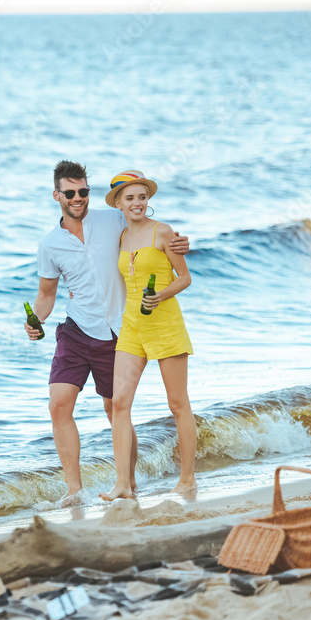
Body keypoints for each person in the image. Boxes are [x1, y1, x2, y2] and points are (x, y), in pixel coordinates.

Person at [25, 161, 188, 506]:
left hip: (118, 329)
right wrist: (34, 321)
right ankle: (73, 491)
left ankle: (128, 483)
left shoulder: (112, 219)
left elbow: (146, 225)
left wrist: (178, 243)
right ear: (57, 195)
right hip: (76, 329)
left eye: (83, 191)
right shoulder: (50, 245)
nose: (78, 198)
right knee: (58, 405)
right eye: (70, 193)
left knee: (116, 409)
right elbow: (46, 295)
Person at [99, 170, 197, 502]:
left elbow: (184, 278)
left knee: (177, 404)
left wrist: (162, 294)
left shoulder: (163, 231)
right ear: (119, 204)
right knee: (119, 402)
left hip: (165, 323)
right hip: (132, 327)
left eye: (142, 197)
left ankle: (187, 479)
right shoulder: (122, 237)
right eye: (130, 198)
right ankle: (124, 483)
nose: (138, 203)